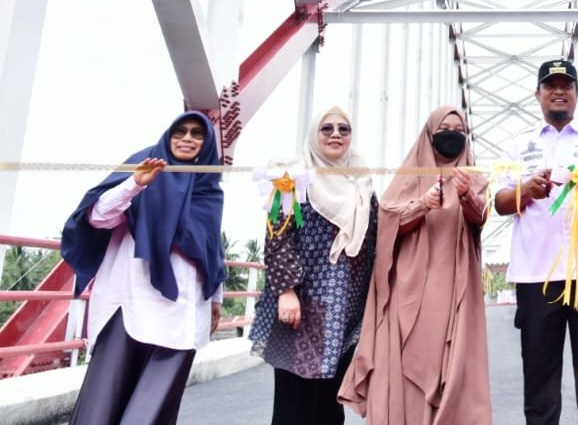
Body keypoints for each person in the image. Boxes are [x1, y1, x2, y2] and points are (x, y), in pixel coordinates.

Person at [62, 111, 226, 425]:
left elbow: (211, 247)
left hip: (183, 309)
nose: (187, 139)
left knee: (152, 409)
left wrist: (216, 295)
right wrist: (135, 185)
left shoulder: (209, 188)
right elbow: (97, 217)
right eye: (180, 132)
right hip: (131, 301)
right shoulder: (144, 165)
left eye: (197, 134)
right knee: (104, 401)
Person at [340, 106, 491, 424]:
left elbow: (480, 218)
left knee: (446, 370)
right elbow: (387, 221)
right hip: (406, 291)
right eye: (444, 127)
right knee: (402, 371)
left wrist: (465, 195)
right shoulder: (410, 175)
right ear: (428, 134)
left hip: (453, 291)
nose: (452, 134)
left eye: (459, 128)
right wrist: (421, 205)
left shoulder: (473, 176)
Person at [494, 59, 578, 425]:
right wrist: (526, 189)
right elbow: (500, 203)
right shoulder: (518, 146)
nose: (558, 91)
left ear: (577, 95)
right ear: (538, 94)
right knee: (539, 375)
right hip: (538, 276)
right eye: (550, 85)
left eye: (566, 85)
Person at [250, 106, 378, 425]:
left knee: (329, 407)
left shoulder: (362, 183)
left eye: (343, 129)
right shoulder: (294, 178)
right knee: (295, 405)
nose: (336, 134)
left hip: (347, 314)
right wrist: (286, 291)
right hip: (304, 306)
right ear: (314, 135)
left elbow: (378, 239)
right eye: (327, 128)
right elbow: (277, 235)